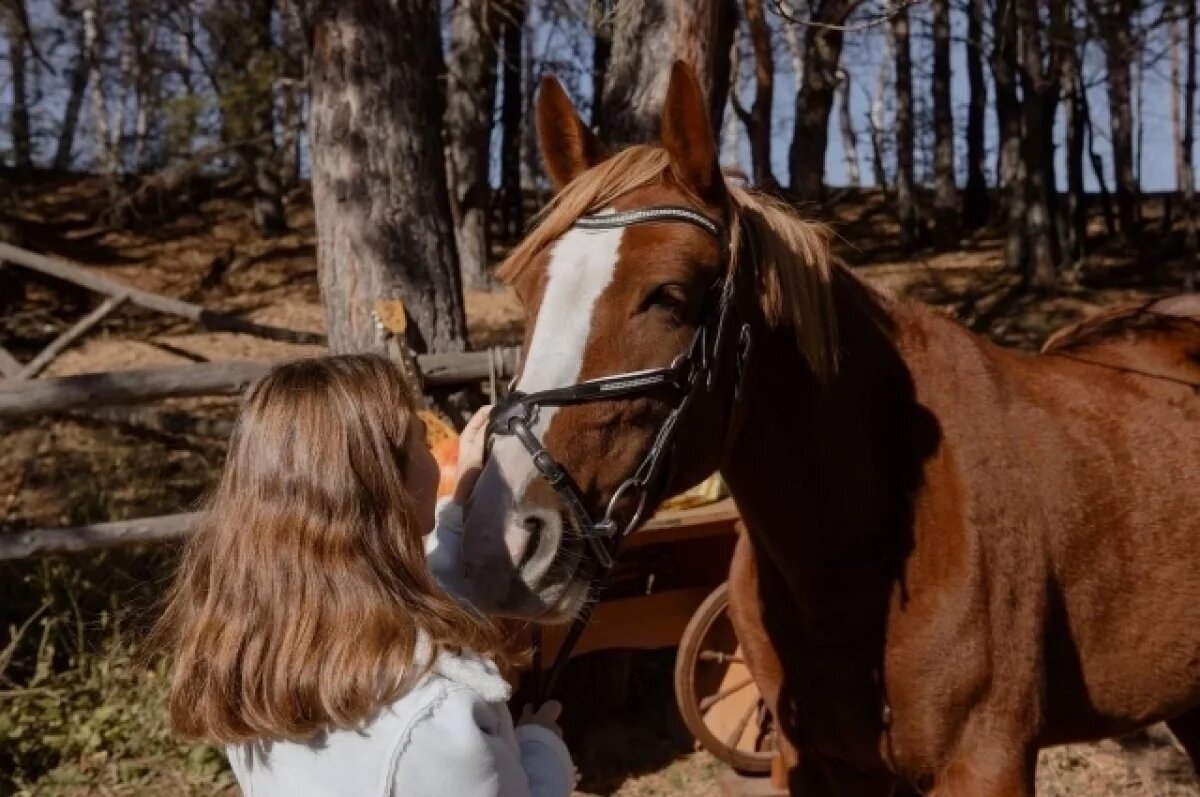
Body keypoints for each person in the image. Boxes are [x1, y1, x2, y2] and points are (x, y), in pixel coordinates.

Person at [155, 354, 575, 797]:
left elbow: (383, 606)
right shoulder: (438, 720)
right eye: (420, 441)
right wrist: (541, 750)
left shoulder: (255, 662)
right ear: (387, 486)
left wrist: (454, 511)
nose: (437, 458)